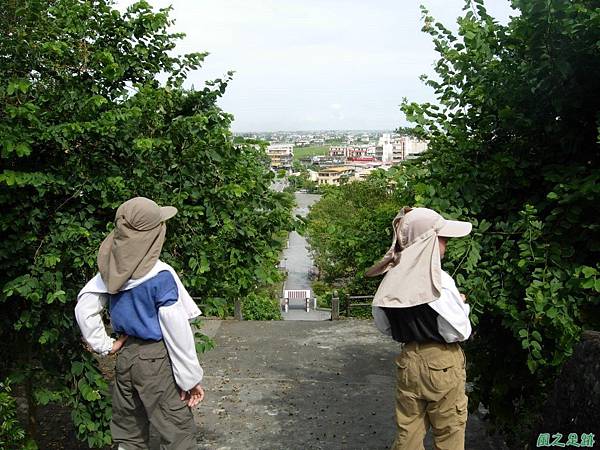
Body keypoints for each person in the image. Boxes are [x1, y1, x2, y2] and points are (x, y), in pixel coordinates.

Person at [74, 197, 205, 450]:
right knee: (177, 433)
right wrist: (190, 380)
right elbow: (176, 332)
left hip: (126, 358)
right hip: (154, 359)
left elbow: (85, 307)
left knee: (129, 434)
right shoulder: (160, 275)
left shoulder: (111, 270)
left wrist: (105, 345)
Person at [367, 207, 472, 450]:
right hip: (442, 362)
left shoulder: (391, 275)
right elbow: (459, 331)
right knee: (449, 432)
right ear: (429, 242)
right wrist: (461, 304)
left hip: (409, 360)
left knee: (409, 433)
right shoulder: (439, 281)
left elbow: (384, 325)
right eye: (442, 237)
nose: (446, 242)